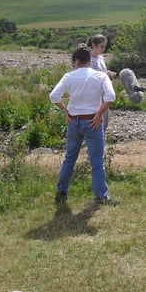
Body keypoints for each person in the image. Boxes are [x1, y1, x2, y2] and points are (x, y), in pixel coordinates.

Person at [50, 45, 119, 206]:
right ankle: (101, 196)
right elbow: (111, 97)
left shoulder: (69, 76)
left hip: (73, 120)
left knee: (69, 158)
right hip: (92, 121)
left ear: (75, 61)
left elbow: (54, 96)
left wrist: (65, 111)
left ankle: (61, 191)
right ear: (89, 60)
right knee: (96, 161)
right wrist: (99, 114)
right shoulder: (100, 76)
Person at [87, 34, 117, 132]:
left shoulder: (100, 58)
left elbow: (103, 71)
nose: (103, 49)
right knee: (96, 120)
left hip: (104, 92)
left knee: (105, 120)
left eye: (104, 46)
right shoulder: (88, 60)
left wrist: (110, 73)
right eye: (101, 47)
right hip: (94, 93)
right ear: (93, 45)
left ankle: (101, 143)